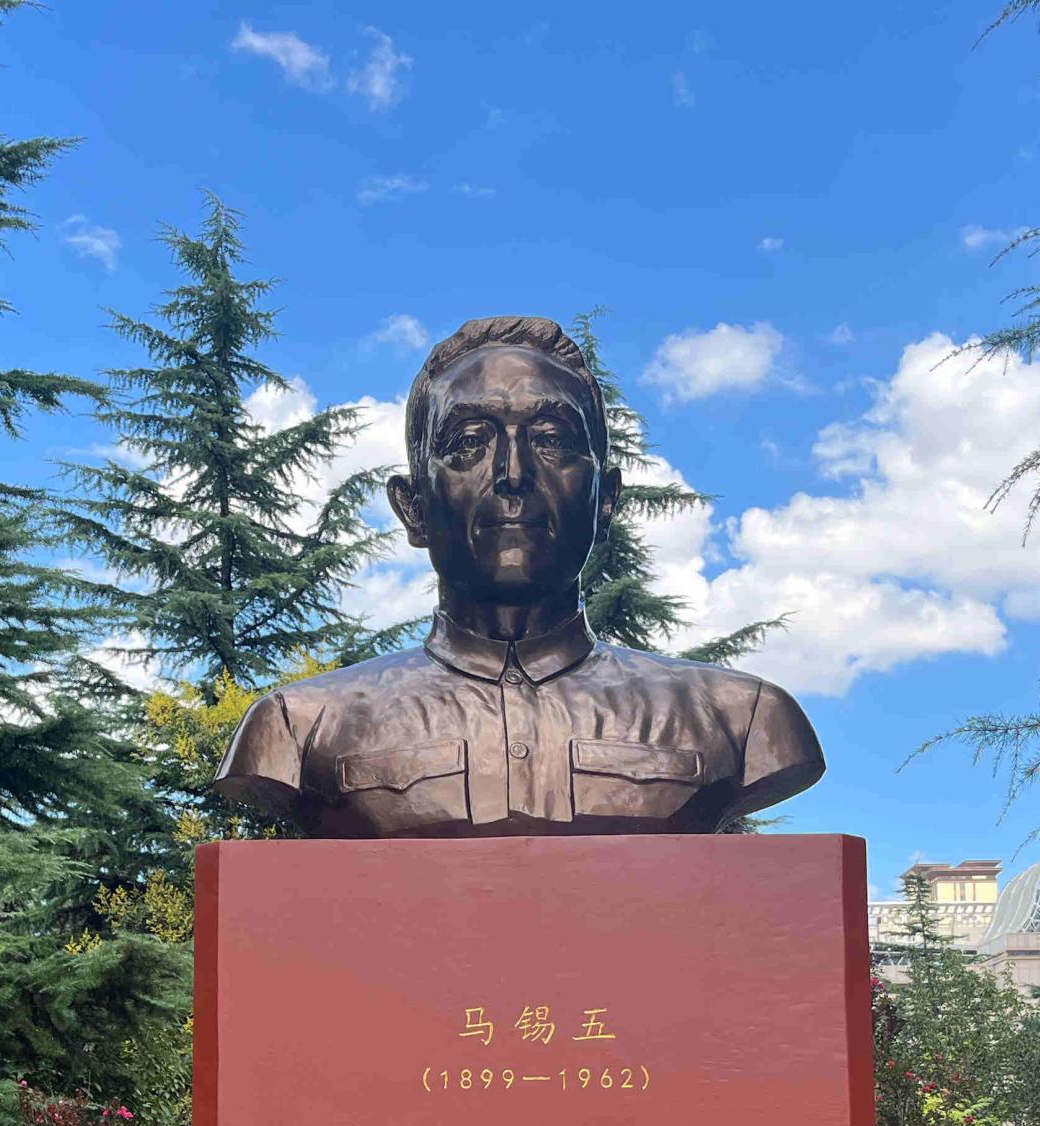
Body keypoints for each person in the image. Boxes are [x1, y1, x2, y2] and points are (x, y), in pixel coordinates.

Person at [212, 315, 824, 838]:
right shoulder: (300, 726)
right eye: (468, 442)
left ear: (606, 500)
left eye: (553, 440)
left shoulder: (742, 719)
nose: (512, 473)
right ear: (413, 507)